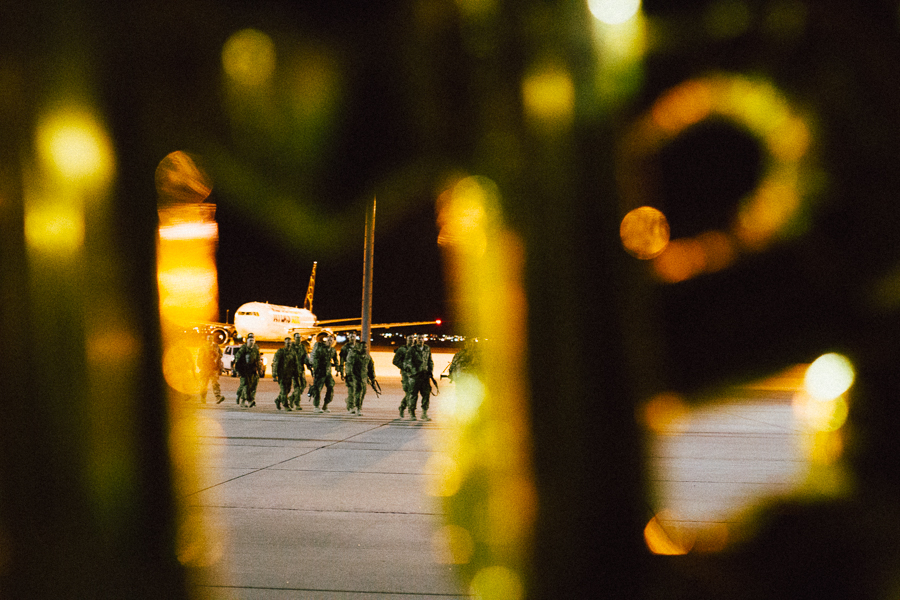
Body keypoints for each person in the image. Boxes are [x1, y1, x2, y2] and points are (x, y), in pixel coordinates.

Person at [404, 334, 434, 421]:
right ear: (416, 340)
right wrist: (414, 372)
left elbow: (429, 361)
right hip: (415, 377)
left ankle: (424, 413)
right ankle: (412, 413)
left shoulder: (427, 348)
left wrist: (430, 371)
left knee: (426, 394)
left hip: (425, 376)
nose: (420, 340)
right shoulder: (412, 349)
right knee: (413, 395)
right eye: (419, 338)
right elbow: (407, 362)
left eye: (422, 338)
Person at [309, 334, 338, 413]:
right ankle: (316, 406)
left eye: (331, 340)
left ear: (333, 342)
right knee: (317, 389)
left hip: (328, 372)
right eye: (328, 340)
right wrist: (314, 369)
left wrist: (337, 367)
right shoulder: (320, 348)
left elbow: (335, 359)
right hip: (319, 372)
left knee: (330, 387)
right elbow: (314, 357)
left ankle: (326, 405)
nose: (329, 342)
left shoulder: (333, 350)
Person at [345, 341, 376, 416]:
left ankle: (357, 406)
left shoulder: (367, 357)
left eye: (365, 347)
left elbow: (370, 368)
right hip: (354, 377)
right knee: (355, 393)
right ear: (359, 348)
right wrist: (349, 376)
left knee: (362, 393)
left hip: (363, 378)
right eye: (362, 347)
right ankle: (355, 408)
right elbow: (349, 365)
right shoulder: (354, 355)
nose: (364, 349)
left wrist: (372, 378)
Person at [234, 333, 261, 408]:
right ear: (247, 341)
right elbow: (237, 358)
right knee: (245, 385)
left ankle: (250, 400)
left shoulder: (255, 348)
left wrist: (259, 369)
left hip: (252, 370)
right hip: (244, 369)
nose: (251, 342)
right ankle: (243, 398)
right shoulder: (243, 348)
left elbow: (258, 359)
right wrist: (237, 370)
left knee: (253, 385)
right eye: (250, 340)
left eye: (253, 340)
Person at [198, 334, 225, 404]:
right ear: (207, 339)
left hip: (213, 368)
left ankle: (218, 397)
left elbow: (220, 355)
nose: (210, 340)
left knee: (215, 383)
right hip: (205, 368)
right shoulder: (203, 347)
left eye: (211, 338)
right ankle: (203, 398)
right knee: (204, 385)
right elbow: (200, 358)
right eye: (209, 338)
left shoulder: (216, 347)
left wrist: (217, 358)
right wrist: (201, 366)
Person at [393, 334, 415, 418]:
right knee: (409, 392)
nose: (411, 340)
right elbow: (395, 361)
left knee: (413, 393)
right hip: (406, 375)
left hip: (415, 374)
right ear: (406, 339)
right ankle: (408, 410)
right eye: (409, 338)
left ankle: (403, 407)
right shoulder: (402, 349)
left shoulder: (416, 349)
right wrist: (404, 367)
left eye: (412, 338)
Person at [272, 336, 296, 411]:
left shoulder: (293, 352)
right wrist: (274, 374)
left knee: (287, 390)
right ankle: (286, 405)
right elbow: (275, 363)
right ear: (284, 343)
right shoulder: (280, 352)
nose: (289, 344)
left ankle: (278, 400)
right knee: (283, 390)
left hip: (289, 374)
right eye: (287, 343)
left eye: (290, 343)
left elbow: (295, 363)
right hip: (282, 374)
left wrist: (296, 373)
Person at [339, 331, 360, 411]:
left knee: (358, 389)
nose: (352, 338)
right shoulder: (344, 348)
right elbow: (341, 361)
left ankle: (350, 402)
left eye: (353, 337)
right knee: (351, 389)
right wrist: (341, 372)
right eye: (350, 337)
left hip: (358, 370)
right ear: (348, 338)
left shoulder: (359, 347)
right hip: (349, 370)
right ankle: (351, 406)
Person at [288, 332, 308, 409]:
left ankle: (292, 397)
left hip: (301, 369)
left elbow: (305, 357)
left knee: (303, 385)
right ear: (294, 339)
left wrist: (309, 365)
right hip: (293, 370)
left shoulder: (302, 347)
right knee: (297, 386)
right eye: (297, 338)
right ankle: (297, 403)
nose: (299, 339)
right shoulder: (290, 347)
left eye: (300, 338)